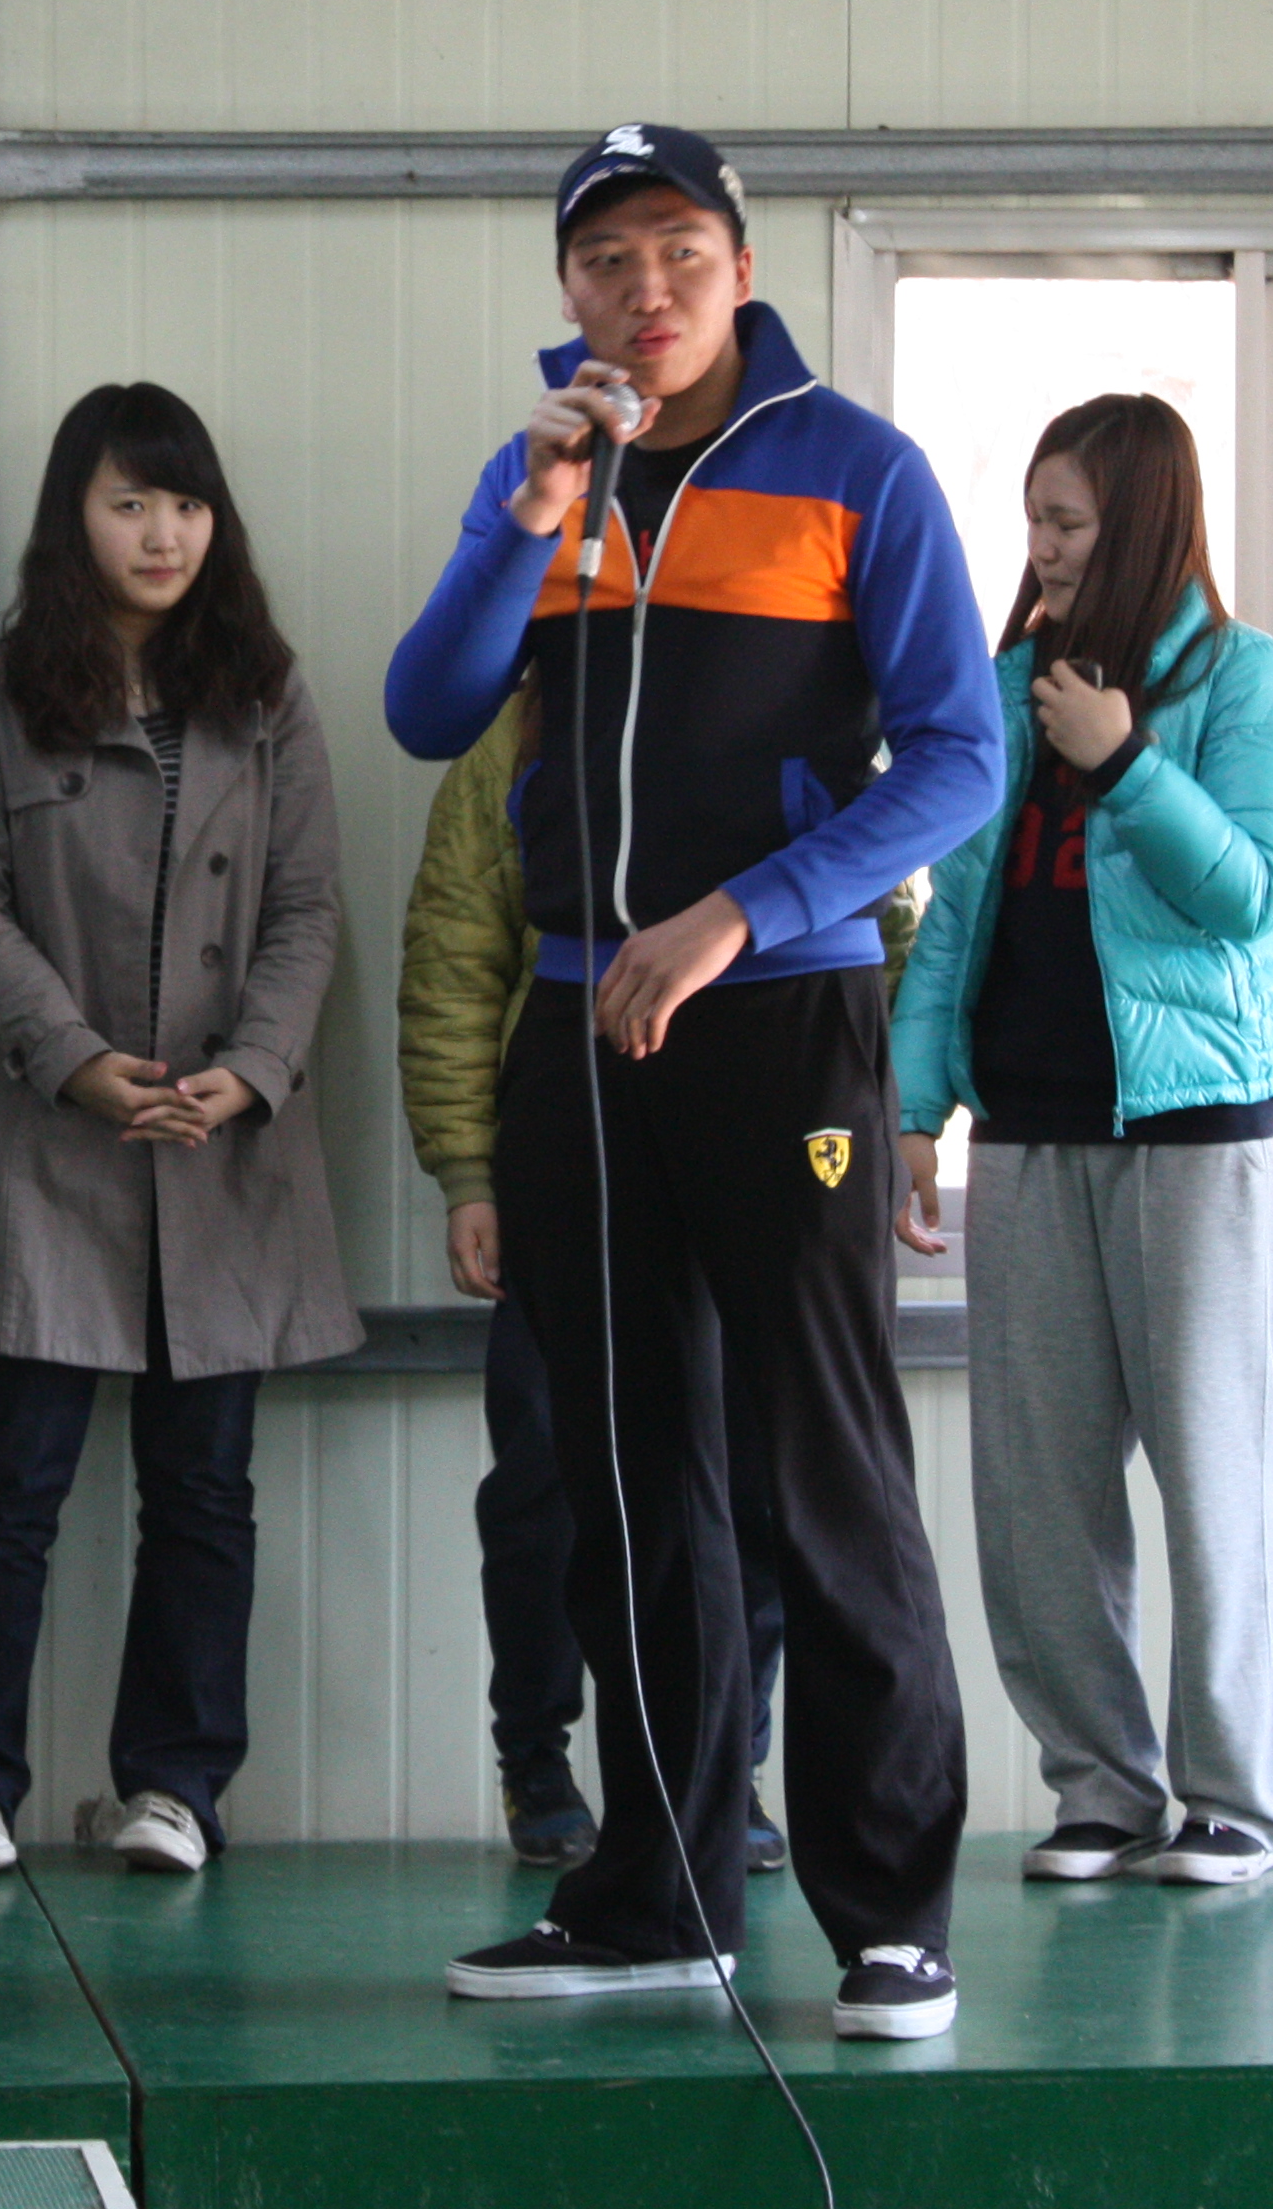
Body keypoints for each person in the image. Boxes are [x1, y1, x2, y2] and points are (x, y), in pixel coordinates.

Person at [383, 122, 1002, 2038]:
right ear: (566, 290)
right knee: (624, 1476)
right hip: (578, 1035)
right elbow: (425, 708)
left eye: (676, 251)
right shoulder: (542, 474)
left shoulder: (856, 469)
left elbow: (960, 755)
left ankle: (889, 1914)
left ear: (739, 267)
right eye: (603, 260)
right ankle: (656, 1892)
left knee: (822, 1465)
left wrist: (742, 913)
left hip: (779, 1016)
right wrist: (521, 518)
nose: (640, 290)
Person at [0, 384, 352, 1881]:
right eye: (129, 502)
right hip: (52, 1139)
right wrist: (77, 1059)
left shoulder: (265, 692)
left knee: (204, 1489)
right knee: (9, 1478)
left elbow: (307, 905)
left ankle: (175, 1786)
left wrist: (256, 1067)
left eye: (186, 503)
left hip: (220, 1140)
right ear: (72, 517)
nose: (163, 533)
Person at [892, 393, 1273, 1891]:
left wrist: (1128, 760)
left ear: (1139, 522)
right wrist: (915, 1108)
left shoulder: (1253, 687)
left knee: (1216, 1486)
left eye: (1068, 522)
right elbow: (956, 909)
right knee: (1038, 1495)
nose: (1044, 549)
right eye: (1034, 520)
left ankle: (1231, 1803)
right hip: (1028, 1133)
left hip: (1197, 1141)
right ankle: (1101, 1789)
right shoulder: (1011, 687)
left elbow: (1255, 896)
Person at [404, 699, 909, 1874]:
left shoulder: (792, 711)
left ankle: (729, 1768)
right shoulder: (516, 736)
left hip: (762, 1140)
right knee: (547, 1481)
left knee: (755, 1482)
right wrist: (469, 1172)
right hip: (571, 1144)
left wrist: (873, 1131)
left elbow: (890, 933)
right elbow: (454, 962)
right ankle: (540, 1758)